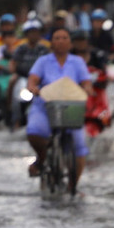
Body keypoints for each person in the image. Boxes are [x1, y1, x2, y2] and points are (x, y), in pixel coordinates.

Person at [24, 24, 92, 195]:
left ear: (70, 43)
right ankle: (42, 159)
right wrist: (33, 88)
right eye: (57, 38)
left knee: (79, 145)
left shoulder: (77, 62)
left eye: (64, 38)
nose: (61, 41)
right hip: (45, 107)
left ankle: (73, 186)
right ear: (51, 43)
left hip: (70, 109)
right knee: (34, 131)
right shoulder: (43, 61)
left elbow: (86, 82)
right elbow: (32, 80)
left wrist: (87, 89)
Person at [9, 18, 50, 129]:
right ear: (26, 34)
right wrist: (14, 72)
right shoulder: (21, 48)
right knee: (12, 84)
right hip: (23, 78)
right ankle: (14, 119)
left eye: (36, 32)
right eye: (31, 32)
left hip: (40, 81)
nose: (33, 35)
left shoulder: (44, 49)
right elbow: (13, 63)